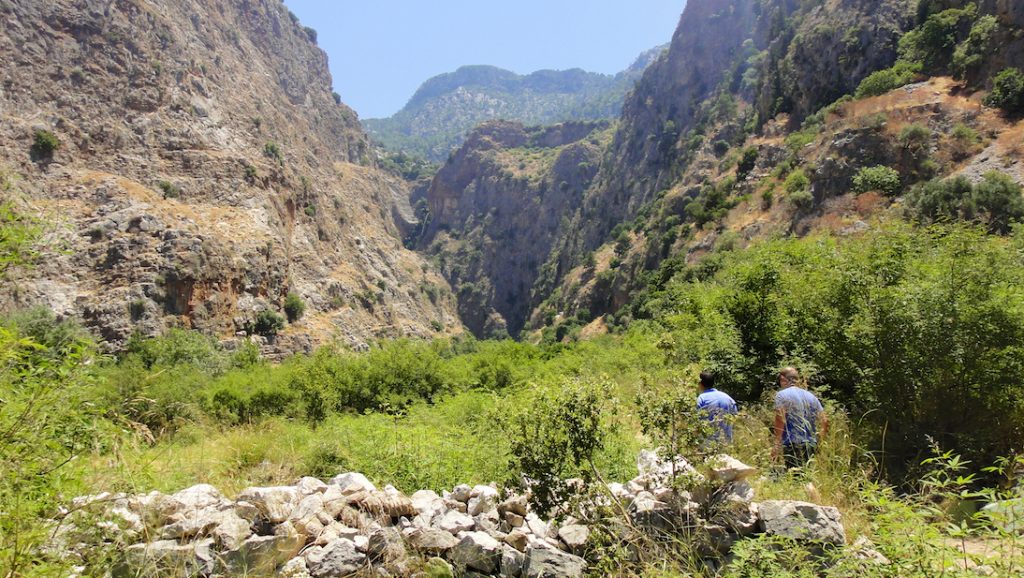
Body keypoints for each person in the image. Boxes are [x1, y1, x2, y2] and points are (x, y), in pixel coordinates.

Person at [772, 367, 829, 470]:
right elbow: (824, 420)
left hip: (792, 444)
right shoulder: (811, 396)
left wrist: (776, 444)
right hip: (811, 444)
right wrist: (820, 440)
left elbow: (780, 419)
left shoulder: (781, 396)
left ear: (784, 379)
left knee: (796, 479)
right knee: (806, 476)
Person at [696, 371, 738, 444]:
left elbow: (695, 419)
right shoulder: (727, 397)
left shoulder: (701, 398)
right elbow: (734, 416)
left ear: (701, 384)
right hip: (725, 441)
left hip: (707, 442)